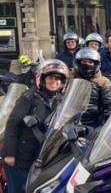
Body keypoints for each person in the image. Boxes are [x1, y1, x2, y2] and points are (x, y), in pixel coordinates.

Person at [2, 59, 69, 192]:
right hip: (22, 156)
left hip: (44, 156)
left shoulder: (61, 100)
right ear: (42, 79)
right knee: (18, 189)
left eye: (58, 79)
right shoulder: (29, 98)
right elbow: (12, 124)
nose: (54, 82)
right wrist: (9, 154)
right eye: (50, 77)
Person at [73, 47, 111, 127]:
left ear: (96, 64)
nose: (86, 64)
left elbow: (109, 106)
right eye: (84, 61)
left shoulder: (103, 82)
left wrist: (105, 124)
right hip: (71, 121)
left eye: (90, 62)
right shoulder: (71, 79)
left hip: (93, 123)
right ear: (78, 62)